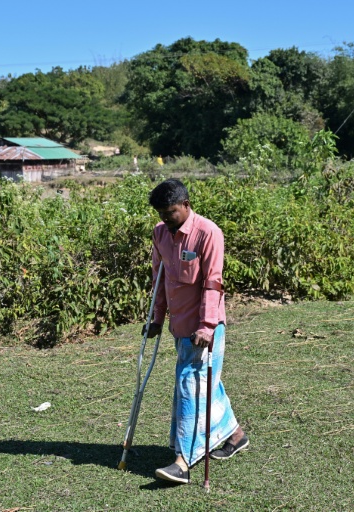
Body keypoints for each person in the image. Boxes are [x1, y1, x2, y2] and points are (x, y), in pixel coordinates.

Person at [144, 178, 248, 484]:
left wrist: (207, 326)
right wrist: (156, 318)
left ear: (186, 205)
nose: (166, 218)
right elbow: (159, 280)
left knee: (190, 384)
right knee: (206, 384)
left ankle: (184, 460)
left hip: (205, 328)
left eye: (171, 212)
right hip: (179, 326)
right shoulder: (160, 234)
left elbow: (213, 282)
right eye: (161, 213)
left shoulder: (208, 233)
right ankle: (236, 436)